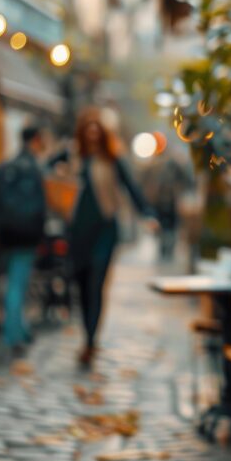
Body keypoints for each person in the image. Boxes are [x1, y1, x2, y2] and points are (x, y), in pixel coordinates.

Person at [59, 108, 155, 366]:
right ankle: (86, 334)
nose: (92, 134)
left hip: (105, 230)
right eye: (87, 129)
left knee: (96, 282)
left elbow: (131, 187)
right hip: (78, 232)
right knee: (81, 284)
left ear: (102, 133)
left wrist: (147, 213)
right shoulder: (73, 157)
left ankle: (91, 341)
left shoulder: (112, 159)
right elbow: (45, 168)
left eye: (96, 129)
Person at [0, 126, 48, 356]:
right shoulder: (37, 169)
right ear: (37, 140)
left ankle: (20, 329)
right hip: (26, 236)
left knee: (10, 282)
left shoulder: (5, 167)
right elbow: (44, 206)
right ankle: (11, 335)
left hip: (6, 234)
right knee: (17, 284)